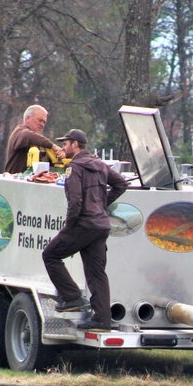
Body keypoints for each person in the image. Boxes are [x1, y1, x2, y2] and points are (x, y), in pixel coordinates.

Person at [42, 129, 128, 332]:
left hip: (83, 224)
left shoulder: (75, 167)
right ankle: (101, 320)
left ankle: (72, 298)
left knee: (50, 255)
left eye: (65, 143)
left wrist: (70, 225)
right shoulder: (100, 165)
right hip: (101, 226)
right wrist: (101, 204)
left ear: (75, 144)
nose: (63, 147)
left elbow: (75, 201)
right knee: (96, 273)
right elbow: (121, 184)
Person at [3, 105, 67, 174]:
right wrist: (53, 147)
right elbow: (28, 136)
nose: (42, 124)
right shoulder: (19, 133)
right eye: (40, 120)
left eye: (44, 122)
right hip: (15, 182)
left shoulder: (39, 142)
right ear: (28, 118)